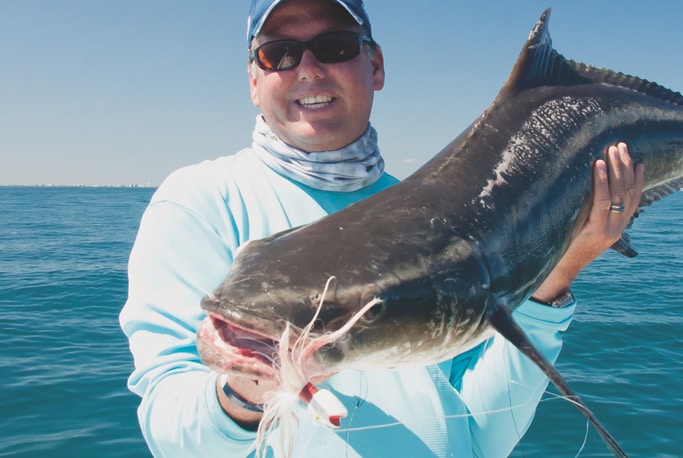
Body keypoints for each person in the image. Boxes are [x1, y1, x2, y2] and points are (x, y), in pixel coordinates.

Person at [119, 0, 645, 456]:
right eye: (277, 53)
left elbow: (483, 438)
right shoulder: (199, 202)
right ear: (254, 81)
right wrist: (245, 391)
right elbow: (171, 436)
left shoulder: (438, 211)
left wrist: (560, 269)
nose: (307, 69)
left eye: (335, 45)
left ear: (375, 65)